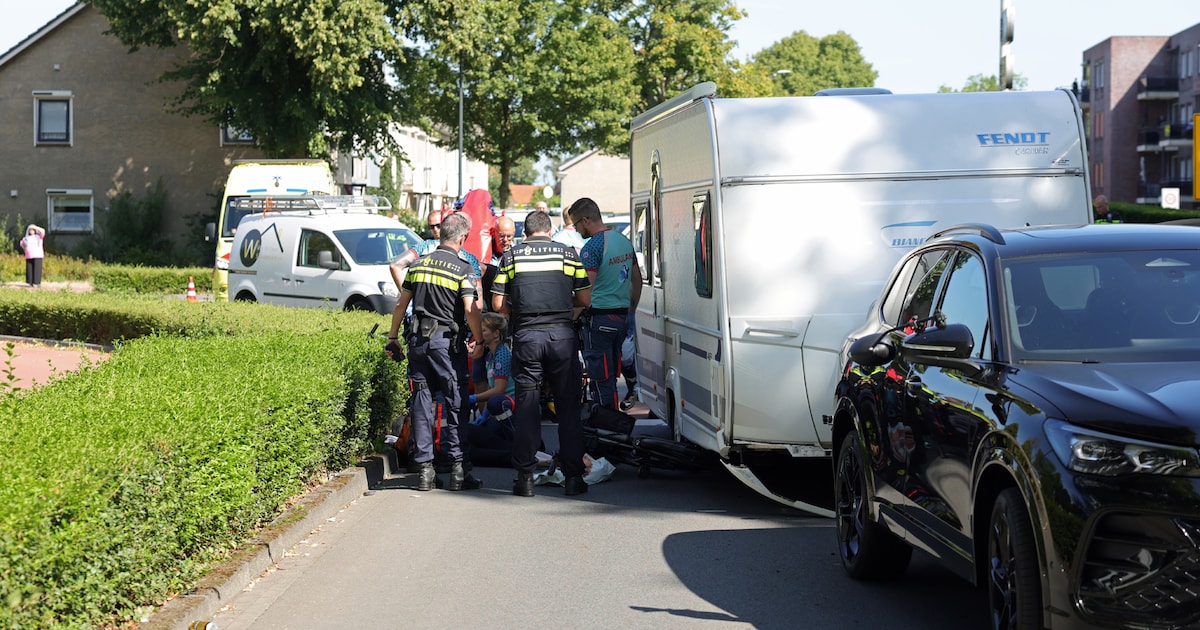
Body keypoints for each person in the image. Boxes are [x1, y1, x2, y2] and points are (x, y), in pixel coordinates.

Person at [491, 210, 592, 496]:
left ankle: (525, 477)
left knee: (526, 405)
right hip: (562, 335)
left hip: (527, 337)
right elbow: (585, 298)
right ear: (549, 231)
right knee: (568, 406)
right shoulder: (569, 254)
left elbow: (498, 304)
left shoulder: (511, 257)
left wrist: (521, 311)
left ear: (526, 232)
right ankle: (573, 478)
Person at [385, 211, 485, 492]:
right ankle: (457, 472)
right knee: (455, 404)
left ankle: (425, 472)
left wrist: (393, 338)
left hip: (418, 343)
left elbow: (399, 305)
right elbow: (470, 309)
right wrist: (479, 339)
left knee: (421, 403)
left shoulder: (417, 266)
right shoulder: (463, 268)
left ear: (440, 234)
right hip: (447, 346)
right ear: (463, 238)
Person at [567, 198, 643, 409]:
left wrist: (569, 316)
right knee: (611, 373)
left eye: (576, 224)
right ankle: (612, 423)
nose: (575, 229)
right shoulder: (623, 241)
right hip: (621, 317)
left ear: (585, 220)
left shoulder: (592, 248)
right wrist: (631, 310)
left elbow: (586, 293)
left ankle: (606, 427)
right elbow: (637, 279)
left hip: (599, 319)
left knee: (601, 378)